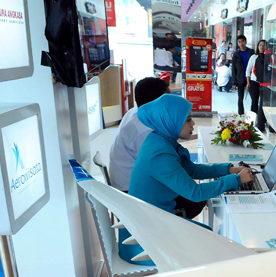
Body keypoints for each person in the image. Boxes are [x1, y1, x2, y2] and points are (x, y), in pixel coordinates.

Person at [119, 94, 254, 264]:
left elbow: (192, 169)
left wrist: (229, 169)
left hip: (151, 223)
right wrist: (234, 180)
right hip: (143, 240)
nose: (193, 124)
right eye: (188, 119)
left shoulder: (160, 140)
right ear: (171, 121)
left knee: (211, 237)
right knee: (215, 244)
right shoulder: (159, 154)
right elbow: (195, 193)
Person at [109, 78, 170, 192]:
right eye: (169, 100)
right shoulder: (145, 130)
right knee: (195, 199)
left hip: (125, 184)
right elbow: (162, 170)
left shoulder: (134, 112)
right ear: (157, 103)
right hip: (133, 193)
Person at [256, 38, 276, 132]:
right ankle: (272, 128)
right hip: (272, 85)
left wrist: (262, 80)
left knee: (262, 106)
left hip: (262, 84)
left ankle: (260, 126)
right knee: (272, 107)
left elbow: (255, 71)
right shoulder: (274, 56)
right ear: (275, 46)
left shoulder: (261, 55)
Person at [231, 35, 254, 115]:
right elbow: (234, 69)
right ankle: (241, 114)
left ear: (246, 42)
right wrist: (234, 82)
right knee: (240, 98)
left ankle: (253, 114)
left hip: (250, 79)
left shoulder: (251, 52)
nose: (241, 43)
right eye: (239, 42)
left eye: (242, 41)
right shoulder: (236, 54)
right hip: (240, 79)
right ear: (237, 43)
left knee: (253, 98)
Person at [246, 39, 267, 115]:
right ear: (258, 46)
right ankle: (253, 119)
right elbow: (248, 70)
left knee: (263, 102)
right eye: (260, 45)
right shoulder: (254, 57)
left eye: (264, 45)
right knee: (254, 101)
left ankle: (261, 119)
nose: (262, 47)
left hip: (264, 83)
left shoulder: (267, 57)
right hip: (254, 82)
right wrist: (248, 82)